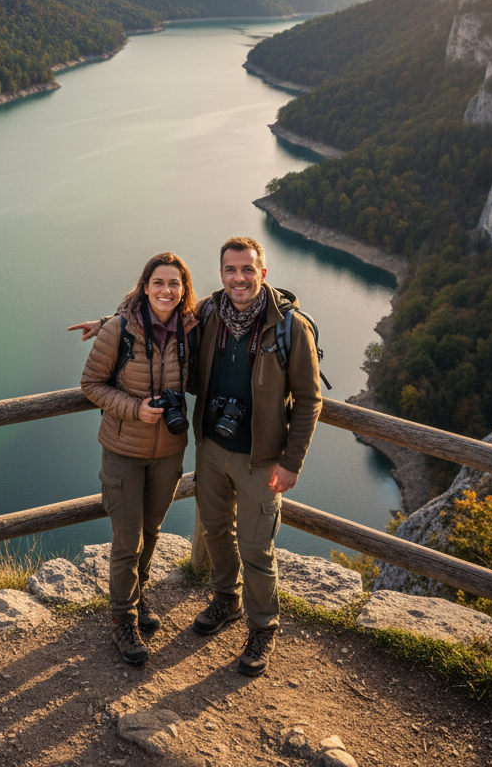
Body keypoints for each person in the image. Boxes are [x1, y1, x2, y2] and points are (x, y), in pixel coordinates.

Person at [70, 236, 322, 678]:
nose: (239, 278)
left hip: (260, 458)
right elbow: (152, 313)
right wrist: (110, 322)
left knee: (257, 547)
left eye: (247, 270)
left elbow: (309, 399)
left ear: (262, 273)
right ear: (220, 274)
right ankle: (226, 599)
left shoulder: (289, 326)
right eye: (230, 270)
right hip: (210, 448)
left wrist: (291, 461)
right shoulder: (208, 313)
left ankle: (264, 627)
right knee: (216, 531)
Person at [77, 252, 199, 666]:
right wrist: (134, 409)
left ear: (184, 291)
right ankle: (122, 619)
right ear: (145, 286)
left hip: (169, 452)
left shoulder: (192, 328)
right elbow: (90, 384)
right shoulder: (119, 330)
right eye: (159, 282)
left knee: (151, 532)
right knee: (127, 540)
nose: (166, 290)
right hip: (124, 451)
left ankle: (137, 595)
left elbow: (239, 303)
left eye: (175, 284)